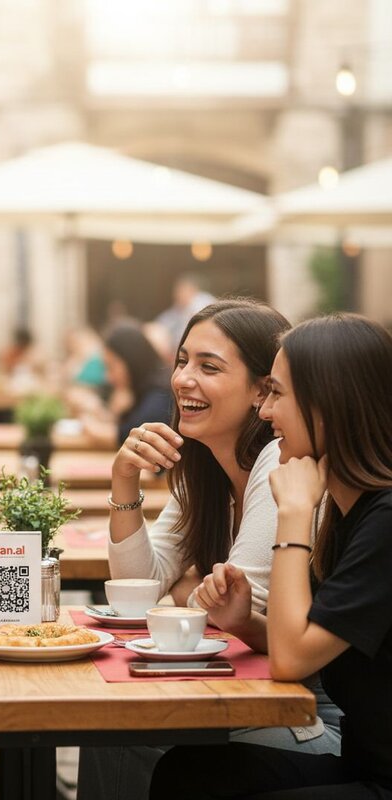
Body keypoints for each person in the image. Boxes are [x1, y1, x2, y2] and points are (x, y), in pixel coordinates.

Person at [76, 299, 340, 800]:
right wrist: (124, 477)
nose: (183, 379)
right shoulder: (203, 467)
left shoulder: (277, 462)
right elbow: (140, 590)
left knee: (120, 738)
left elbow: (228, 605)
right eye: (182, 361)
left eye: (209, 366)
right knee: (107, 732)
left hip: (309, 715)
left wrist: (186, 590)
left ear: (264, 390)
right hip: (245, 691)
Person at [150, 313, 392, 799]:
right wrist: (242, 622)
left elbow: (290, 660)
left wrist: (295, 514)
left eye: (277, 394)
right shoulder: (354, 511)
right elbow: (305, 640)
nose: (264, 412)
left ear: (328, 407)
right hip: (361, 764)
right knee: (186, 772)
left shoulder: (383, 519)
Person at [72, 321, 172, 447]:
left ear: (131, 360)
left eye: (111, 367)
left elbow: (127, 437)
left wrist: (86, 419)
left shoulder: (160, 394)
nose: (108, 377)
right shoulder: (139, 389)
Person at [153, 272, 216, 349]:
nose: (179, 294)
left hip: (202, 344)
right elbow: (160, 325)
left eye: (183, 290)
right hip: (177, 347)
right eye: (178, 291)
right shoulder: (176, 309)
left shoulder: (202, 301)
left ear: (193, 290)